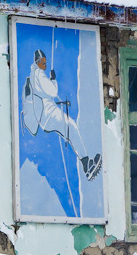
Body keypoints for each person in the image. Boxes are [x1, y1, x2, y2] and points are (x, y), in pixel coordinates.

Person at [23, 48, 100, 183]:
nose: (45, 66)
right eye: (43, 63)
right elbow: (52, 91)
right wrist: (53, 79)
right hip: (48, 114)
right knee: (71, 127)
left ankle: (86, 164)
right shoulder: (39, 74)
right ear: (38, 62)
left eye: (46, 63)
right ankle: (87, 165)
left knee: (70, 130)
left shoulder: (33, 74)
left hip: (45, 115)